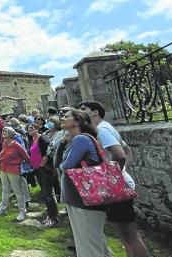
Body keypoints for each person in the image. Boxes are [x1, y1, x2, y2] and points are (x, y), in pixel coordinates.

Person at [78, 101, 149, 257]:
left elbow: (120, 154)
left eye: (84, 109)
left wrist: (114, 176)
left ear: (95, 112)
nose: (80, 111)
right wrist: (122, 171)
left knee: (130, 235)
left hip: (117, 184)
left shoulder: (102, 130)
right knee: (126, 233)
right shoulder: (106, 127)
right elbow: (127, 150)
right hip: (119, 182)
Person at [59, 108, 113, 257]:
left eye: (66, 116)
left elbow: (65, 165)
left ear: (77, 121)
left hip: (82, 198)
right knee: (96, 244)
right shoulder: (77, 139)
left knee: (88, 246)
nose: (62, 118)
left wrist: (62, 160)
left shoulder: (81, 139)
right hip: (82, 197)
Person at [0, 127, 31, 221]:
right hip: (3, 168)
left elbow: (27, 157)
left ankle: (22, 211)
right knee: (5, 189)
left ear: (11, 133)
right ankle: (3, 208)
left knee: (17, 191)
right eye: (3, 130)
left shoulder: (17, 145)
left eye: (6, 131)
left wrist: (18, 162)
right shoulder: (5, 143)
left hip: (14, 169)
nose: (3, 132)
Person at [39, 116, 63, 227]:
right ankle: (50, 214)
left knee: (48, 192)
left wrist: (46, 158)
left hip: (52, 164)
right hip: (44, 164)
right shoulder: (46, 133)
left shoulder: (60, 134)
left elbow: (53, 149)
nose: (49, 123)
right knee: (46, 192)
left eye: (52, 121)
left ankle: (54, 218)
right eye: (49, 121)